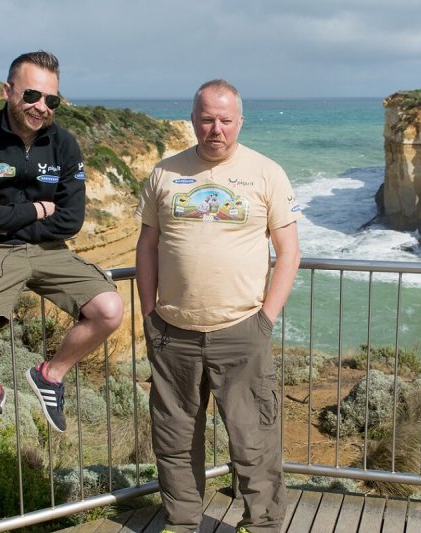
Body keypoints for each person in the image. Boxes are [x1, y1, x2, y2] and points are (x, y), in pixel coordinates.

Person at [135, 79, 302, 533]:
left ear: (239, 122)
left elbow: (289, 252)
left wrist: (265, 320)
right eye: (207, 119)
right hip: (173, 332)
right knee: (174, 438)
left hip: (242, 330)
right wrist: (149, 315)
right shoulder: (164, 174)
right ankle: (182, 522)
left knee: (253, 440)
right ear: (193, 120)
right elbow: (146, 247)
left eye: (225, 120)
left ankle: (263, 523)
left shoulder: (267, 173)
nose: (216, 129)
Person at [0, 50, 124, 449]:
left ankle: (50, 375)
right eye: (31, 95)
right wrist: (38, 209)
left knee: (109, 310)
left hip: (49, 250)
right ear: (8, 90)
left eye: (51, 100)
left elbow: (71, 220)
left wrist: (7, 215)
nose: (40, 107)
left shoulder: (64, 144)